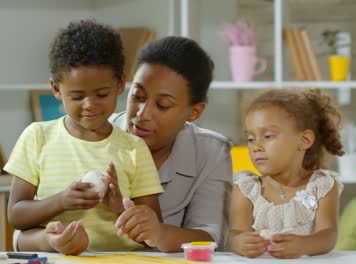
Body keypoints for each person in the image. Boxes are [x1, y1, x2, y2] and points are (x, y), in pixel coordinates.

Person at [5, 20, 163, 255]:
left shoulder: (134, 148)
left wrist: (121, 207)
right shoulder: (37, 137)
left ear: (120, 84)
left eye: (101, 94)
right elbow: (16, 215)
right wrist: (61, 201)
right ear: (57, 89)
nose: (90, 105)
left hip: (122, 259)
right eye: (77, 96)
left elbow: (152, 227)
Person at [107, 36, 233, 252]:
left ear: (194, 112)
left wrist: (159, 233)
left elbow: (211, 237)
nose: (142, 114)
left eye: (163, 105)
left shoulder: (212, 151)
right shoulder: (96, 135)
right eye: (137, 96)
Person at [228, 88, 345, 259]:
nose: (256, 146)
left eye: (268, 136)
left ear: (304, 140)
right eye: (251, 139)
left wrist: (303, 245)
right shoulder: (246, 189)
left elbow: (328, 235)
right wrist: (239, 243)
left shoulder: (321, 186)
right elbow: (234, 233)